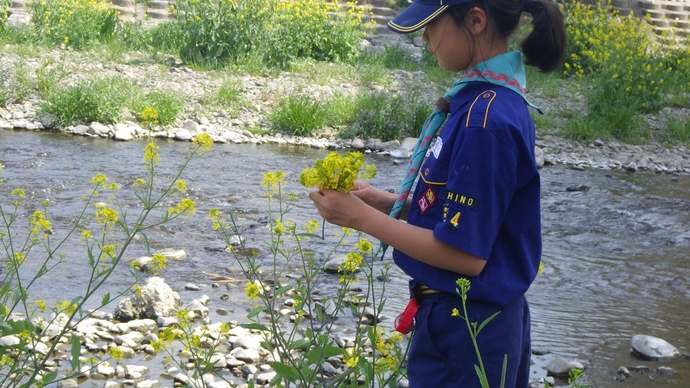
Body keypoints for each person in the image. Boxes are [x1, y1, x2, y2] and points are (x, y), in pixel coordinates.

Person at [308, 0, 566, 386]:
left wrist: (361, 218)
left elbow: (465, 254)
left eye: (432, 26)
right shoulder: (486, 102)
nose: (425, 39)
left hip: (470, 331)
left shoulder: (486, 120)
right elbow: (469, 220)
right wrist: (386, 202)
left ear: (476, 20)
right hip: (470, 321)